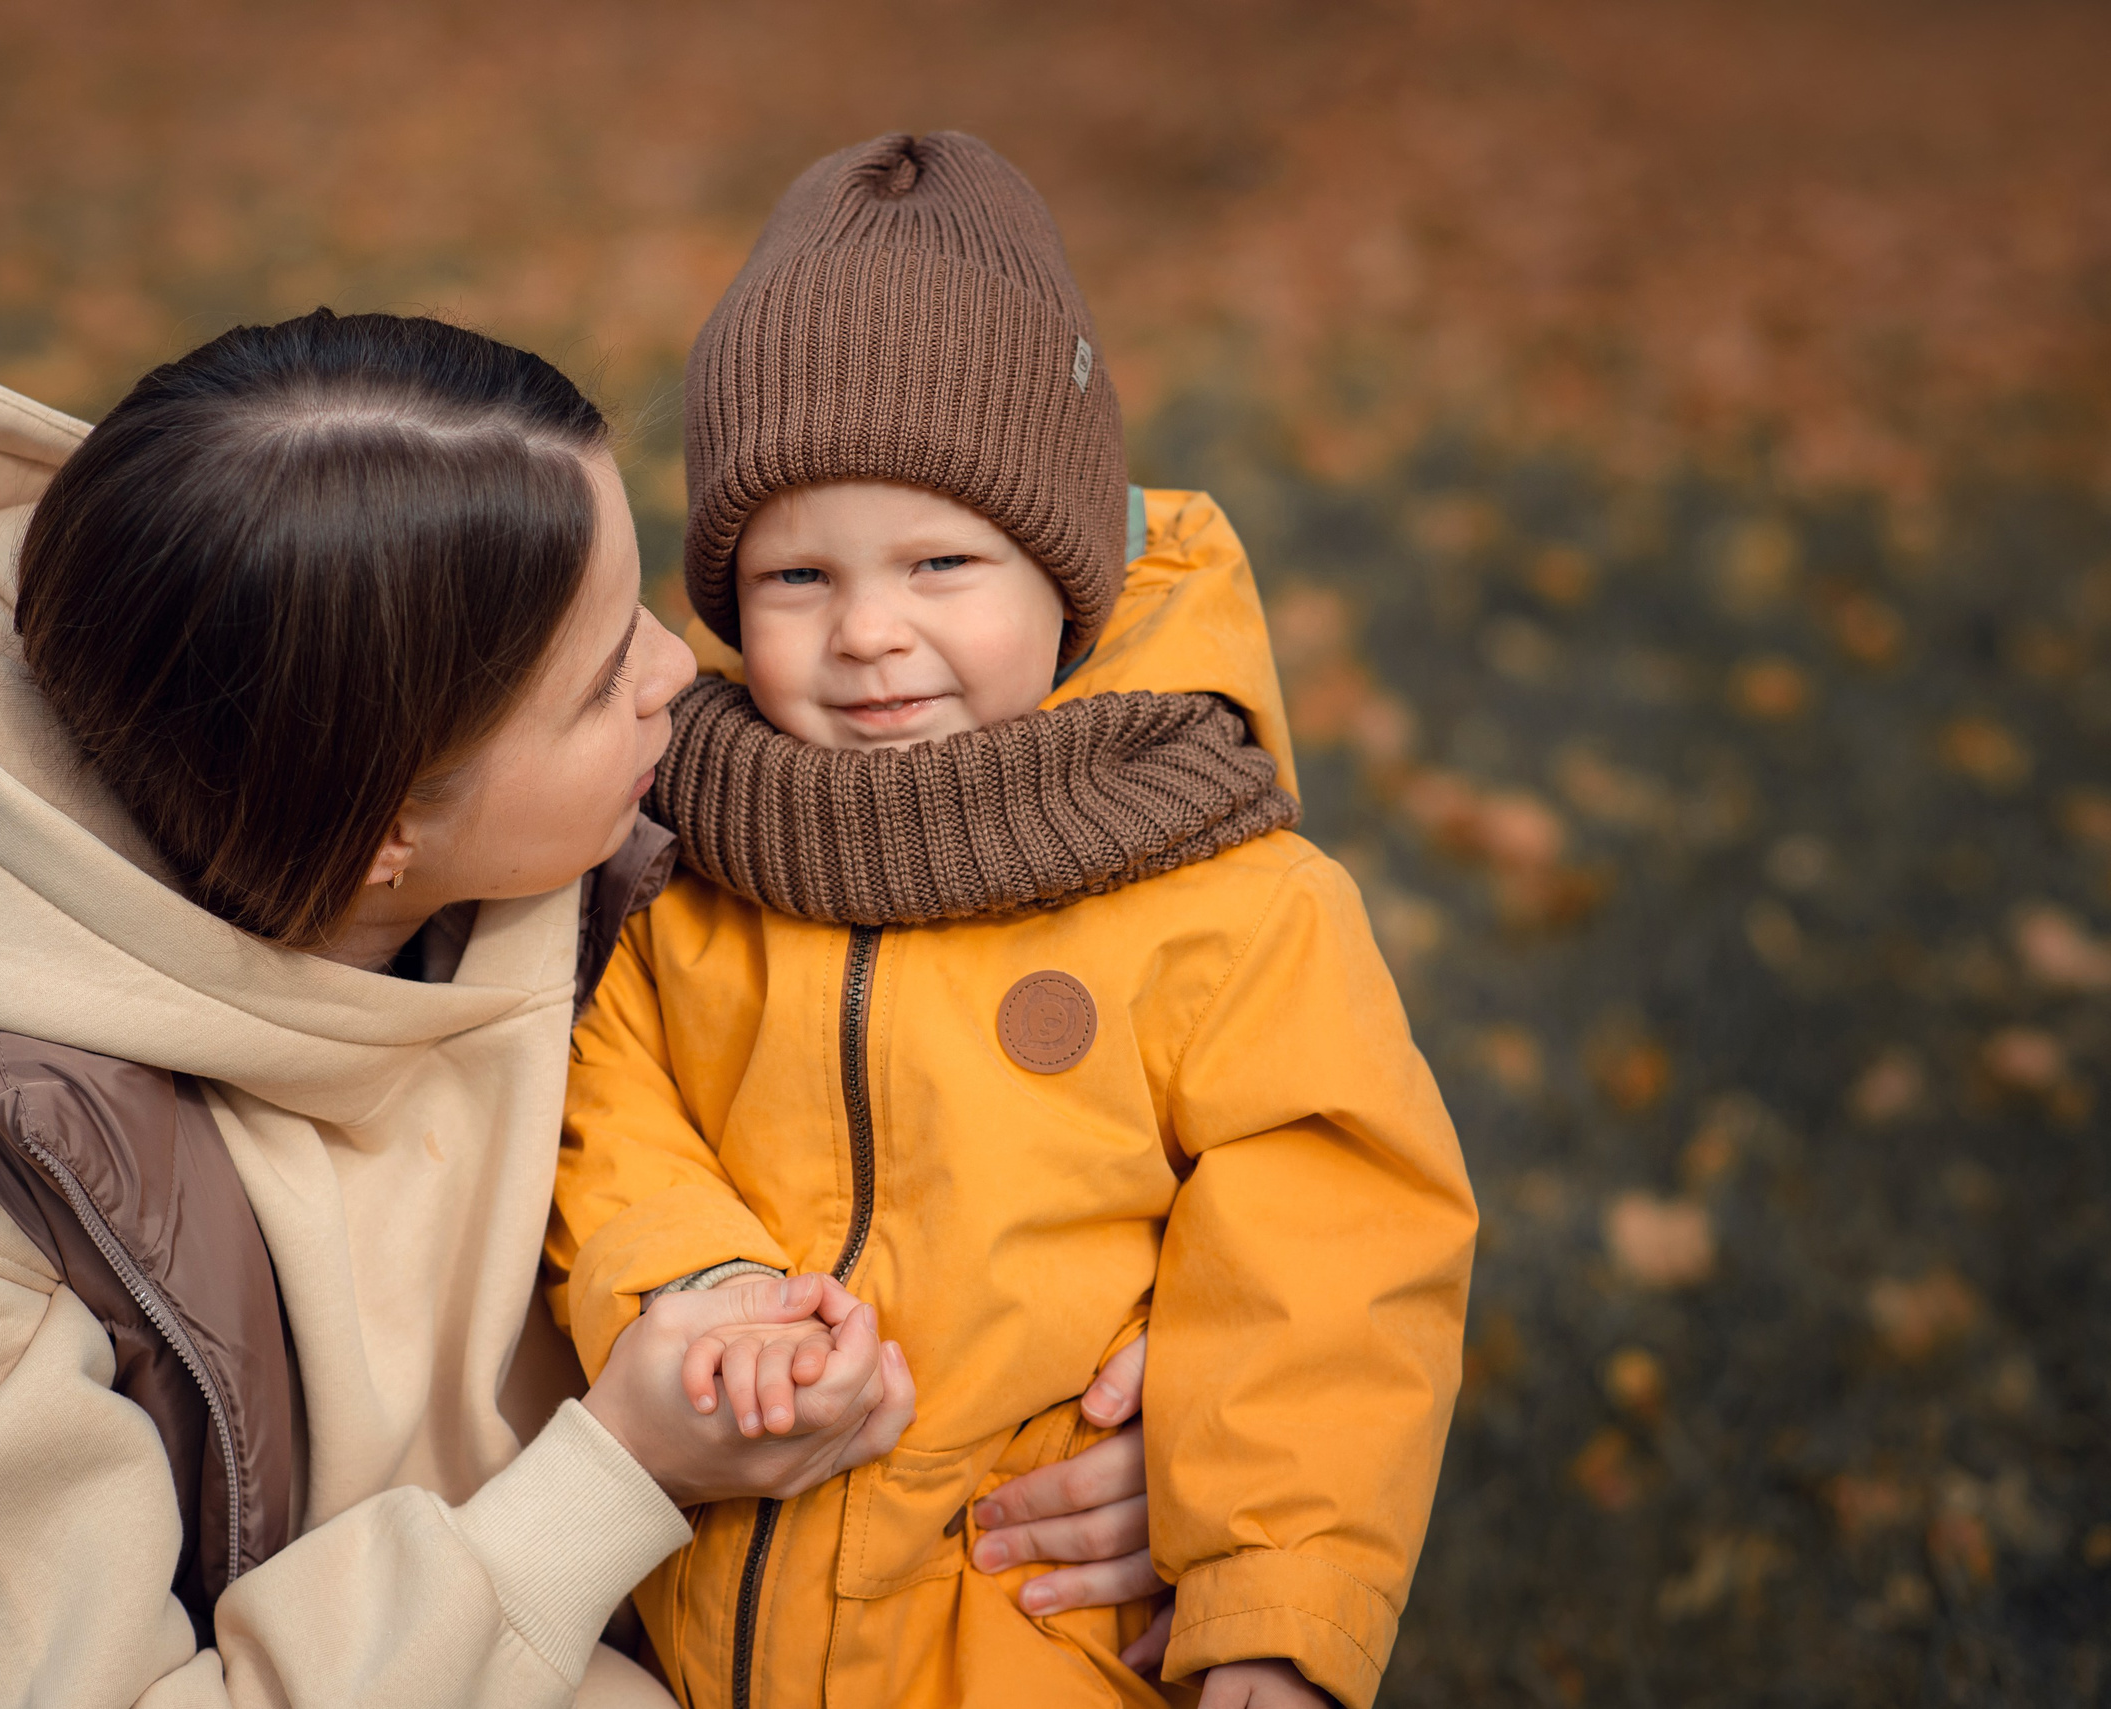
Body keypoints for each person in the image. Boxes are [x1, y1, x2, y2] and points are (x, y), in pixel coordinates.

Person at [0, 310, 1147, 1709]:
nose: (689, 671)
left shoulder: (595, 829)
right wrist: (615, 1477)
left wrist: (1145, 1422)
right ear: (389, 824)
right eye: (604, 676)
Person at [549, 135, 1481, 1709]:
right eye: (794, 574)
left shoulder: (1224, 902)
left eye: (941, 562)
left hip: (1038, 1623)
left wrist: (1272, 1594)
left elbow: (1334, 1262)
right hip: (727, 1619)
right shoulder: (695, 880)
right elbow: (612, 1121)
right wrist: (701, 1292)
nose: (868, 633)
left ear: (1070, 572)